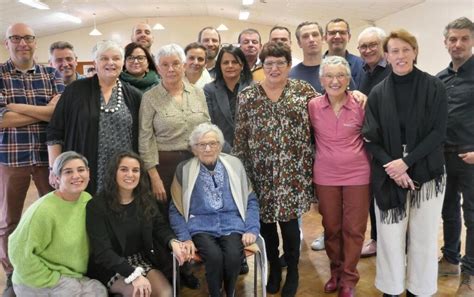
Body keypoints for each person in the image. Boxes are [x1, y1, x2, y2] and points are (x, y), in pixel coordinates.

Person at [362, 29, 448, 297]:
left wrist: (407, 162)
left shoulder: (434, 86)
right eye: (394, 51)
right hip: (388, 173)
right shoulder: (377, 92)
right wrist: (393, 166)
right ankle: (391, 288)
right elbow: (370, 137)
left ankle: (419, 290)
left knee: (423, 236)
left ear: (415, 51)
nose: (400, 56)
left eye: (405, 49)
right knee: (389, 237)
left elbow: (438, 132)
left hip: (427, 168)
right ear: (386, 56)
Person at [233, 41, 315, 297]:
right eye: (269, 63)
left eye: (281, 62)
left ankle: (293, 269)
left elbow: (328, 113)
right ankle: (273, 269)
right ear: (262, 66)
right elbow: (240, 139)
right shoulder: (247, 96)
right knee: (266, 227)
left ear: (289, 65)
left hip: (293, 172)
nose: (275, 67)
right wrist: (243, 176)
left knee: (291, 227)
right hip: (260, 173)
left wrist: (356, 94)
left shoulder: (304, 91)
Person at [0, 22, 64, 297]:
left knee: (54, 215)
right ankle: (12, 273)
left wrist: (13, 108)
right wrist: (42, 111)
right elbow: (2, 122)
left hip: (47, 156)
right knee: (8, 220)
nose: (22, 43)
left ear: (36, 41)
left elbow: (56, 114)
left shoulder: (52, 73)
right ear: (7, 43)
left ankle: (52, 264)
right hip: (10, 158)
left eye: (28, 38)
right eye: (16, 38)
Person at [139, 43, 210, 289]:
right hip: (164, 167)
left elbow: (206, 129)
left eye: (175, 63)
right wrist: (153, 175)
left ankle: (190, 266)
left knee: (193, 217)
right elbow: (145, 137)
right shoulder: (150, 97)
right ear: (158, 68)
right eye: (165, 65)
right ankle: (172, 272)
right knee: (166, 222)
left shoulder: (198, 93)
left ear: (183, 65)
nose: (171, 69)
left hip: (195, 165)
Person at [169, 123, 260, 297]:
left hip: (232, 223)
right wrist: (185, 237)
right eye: (202, 145)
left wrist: (251, 228)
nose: (208, 148)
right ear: (194, 149)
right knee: (214, 257)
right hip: (200, 226)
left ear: (220, 145)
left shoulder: (235, 165)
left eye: (213, 143)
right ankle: (215, 293)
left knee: (234, 256)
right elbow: (175, 209)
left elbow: (251, 201)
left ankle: (229, 291)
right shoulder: (184, 170)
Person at [308, 56, 370, 297]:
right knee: (331, 227)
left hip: (358, 174)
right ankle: (335, 271)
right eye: (329, 76)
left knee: (354, 229)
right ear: (321, 79)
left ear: (348, 79)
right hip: (325, 175)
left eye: (340, 75)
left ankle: (349, 278)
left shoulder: (360, 103)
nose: (335, 81)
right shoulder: (312, 105)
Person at [47, 40, 142, 195]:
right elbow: (54, 132)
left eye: (116, 58)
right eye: (104, 58)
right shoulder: (75, 91)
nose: (110, 63)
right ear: (95, 62)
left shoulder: (134, 96)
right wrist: (54, 168)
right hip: (83, 172)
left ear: (123, 62)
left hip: (122, 173)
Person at [87, 151, 186, 297]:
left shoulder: (145, 198)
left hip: (140, 259)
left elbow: (159, 226)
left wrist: (173, 242)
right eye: (124, 169)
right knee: (140, 293)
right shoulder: (96, 206)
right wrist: (133, 275)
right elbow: (103, 252)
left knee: (166, 293)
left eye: (135, 170)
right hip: (111, 265)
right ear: (114, 172)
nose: (130, 174)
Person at [8, 151, 107, 296]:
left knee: (100, 291)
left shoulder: (86, 199)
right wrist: (55, 279)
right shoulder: (43, 211)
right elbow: (18, 254)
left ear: (88, 173)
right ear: (56, 178)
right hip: (36, 279)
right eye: (68, 172)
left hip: (70, 274)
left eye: (81, 170)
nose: (76, 176)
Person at [436, 17, 474, 296]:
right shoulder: (439, 79)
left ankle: (470, 273)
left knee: (472, 216)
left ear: (471, 41)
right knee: (447, 211)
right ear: (445, 42)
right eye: (453, 39)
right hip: (443, 156)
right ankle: (450, 259)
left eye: (463, 38)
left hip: (471, 156)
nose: (457, 44)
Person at [356, 26, 391, 258]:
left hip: (391, 147)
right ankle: (378, 240)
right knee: (374, 196)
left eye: (373, 45)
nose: (368, 50)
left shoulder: (391, 71)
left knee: (390, 198)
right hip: (370, 146)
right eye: (363, 46)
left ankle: (393, 243)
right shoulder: (363, 72)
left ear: (383, 46)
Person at [204, 45, 253, 147]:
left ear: (242, 65)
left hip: (250, 150)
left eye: (234, 62)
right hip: (220, 149)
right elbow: (210, 125)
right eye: (225, 62)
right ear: (220, 66)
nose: (230, 66)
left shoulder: (254, 88)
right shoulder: (209, 90)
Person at [324, 18, 363, 88]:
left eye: (342, 32)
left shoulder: (361, 65)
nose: (337, 36)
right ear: (325, 38)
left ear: (349, 37)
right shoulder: (317, 65)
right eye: (332, 33)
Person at [290, 21, 325, 93]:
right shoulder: (291, 76)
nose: (311, 40)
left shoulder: (338, 71)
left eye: (315, 35)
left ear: (323, 39)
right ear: (299, 43)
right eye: (305, 36)